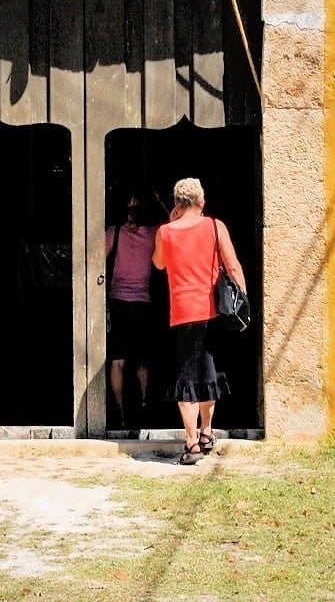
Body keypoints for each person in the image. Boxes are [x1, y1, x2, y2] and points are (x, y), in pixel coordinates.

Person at [152, 176, 246, 464]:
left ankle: (191, 442)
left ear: (177, 204)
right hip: (213, 311)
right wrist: (244, 302)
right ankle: (206, 431)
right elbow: (231, 264)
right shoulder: (215, 226)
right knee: (210, 373)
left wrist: (170, 222)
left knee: (186, 378)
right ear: (202, 202)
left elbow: (159, 263)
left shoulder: (165, 232)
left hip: (182, 313)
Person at [104, 193, 159, 431]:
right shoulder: (153, 234)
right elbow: (175, 221)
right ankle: (145, 405)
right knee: (143, 360)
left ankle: (120, 412)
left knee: (117, 360)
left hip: (118, 302)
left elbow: (94, 260)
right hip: (143, 304)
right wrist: (159, 201)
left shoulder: (113, 233)